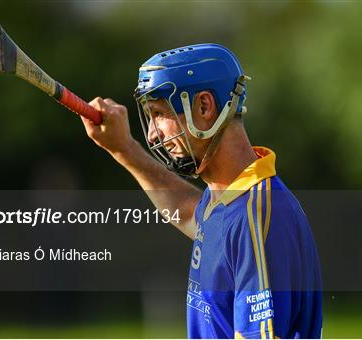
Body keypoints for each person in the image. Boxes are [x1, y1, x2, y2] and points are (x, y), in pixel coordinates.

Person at [81, 43, 323, 339]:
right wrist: (124, 149)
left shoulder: (256, 216)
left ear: (204, 107)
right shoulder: (225, 198)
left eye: (160, 114)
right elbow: (189, 213)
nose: (154, 133)